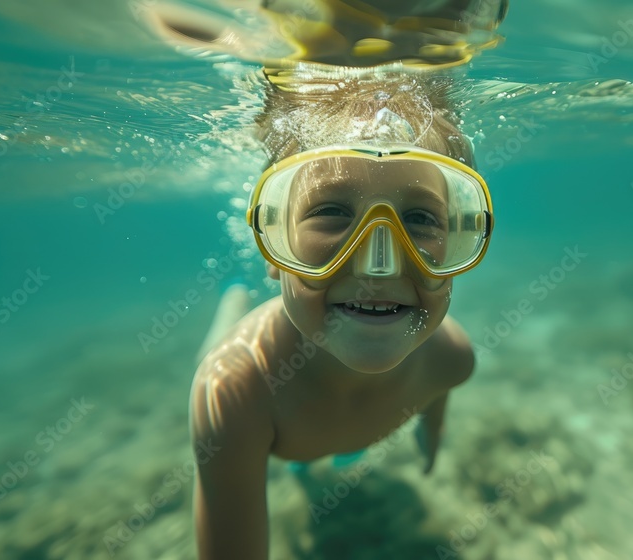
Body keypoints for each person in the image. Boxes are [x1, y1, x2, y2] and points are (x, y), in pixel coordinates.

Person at [189, 68, 495, 559]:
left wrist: (431, 431)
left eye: (419, 218)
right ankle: (232, 305)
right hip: (242, 363)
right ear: (272, 247)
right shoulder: (234, 393)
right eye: (331, 211)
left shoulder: (452, 358)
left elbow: (435, 396)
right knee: (210, 353)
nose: (379, 264)